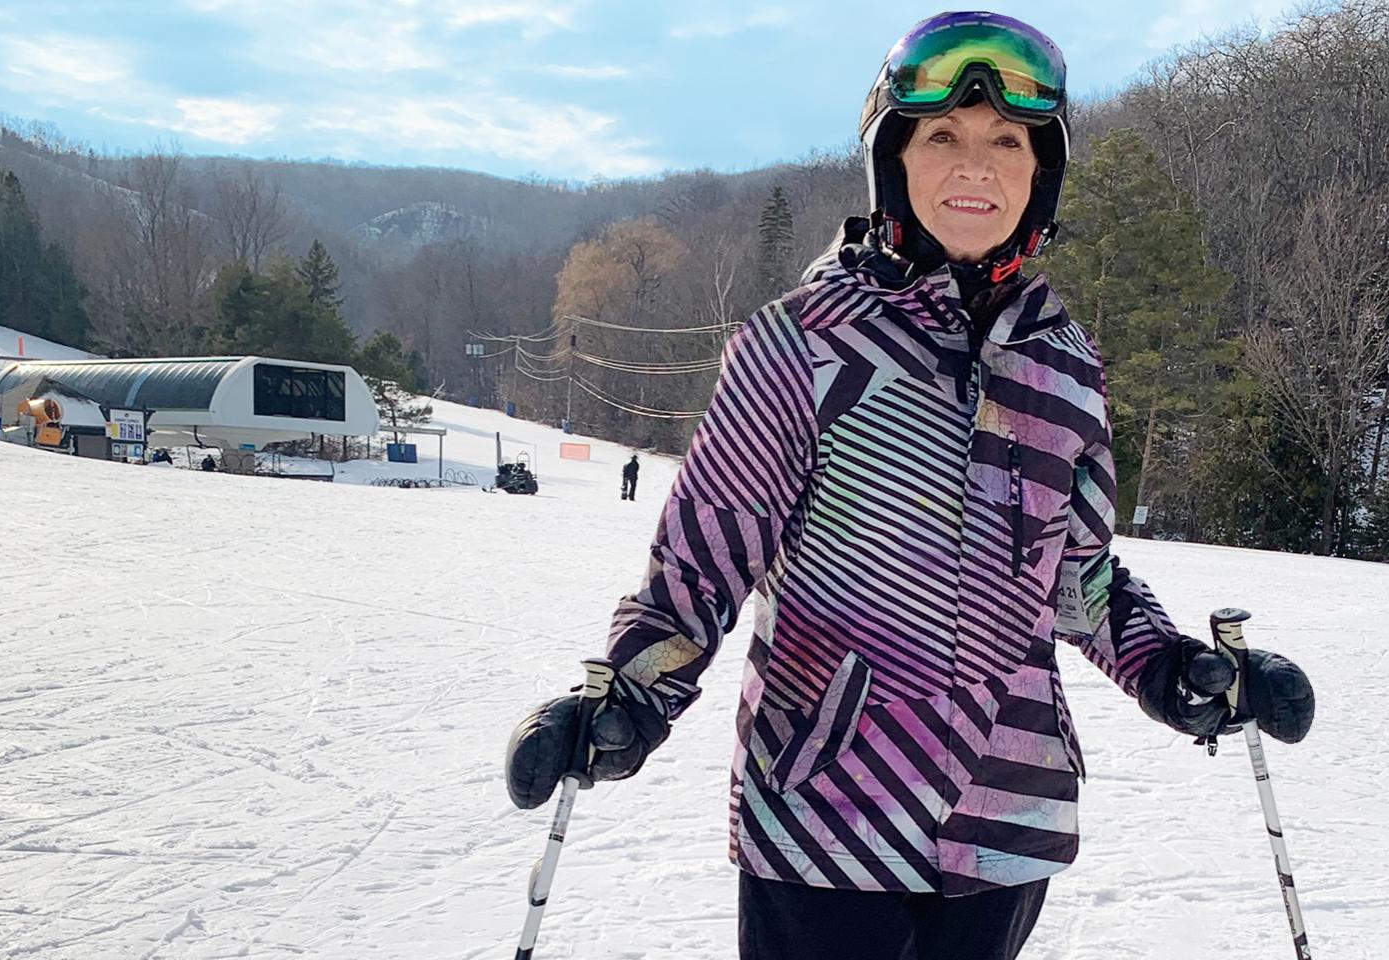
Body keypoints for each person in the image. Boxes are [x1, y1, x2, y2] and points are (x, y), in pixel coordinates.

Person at [505, 12, 1316, 960]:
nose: (976, 166)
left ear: (1038, 174)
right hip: (825, 814)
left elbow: (1081, 580)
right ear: (895, 158)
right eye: (944, 137)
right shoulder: (802, 344)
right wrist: (632, 698)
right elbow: (705, 560)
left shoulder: (1065, 365)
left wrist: (1173, 671)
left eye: (1007, 142)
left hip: (1008, 813)